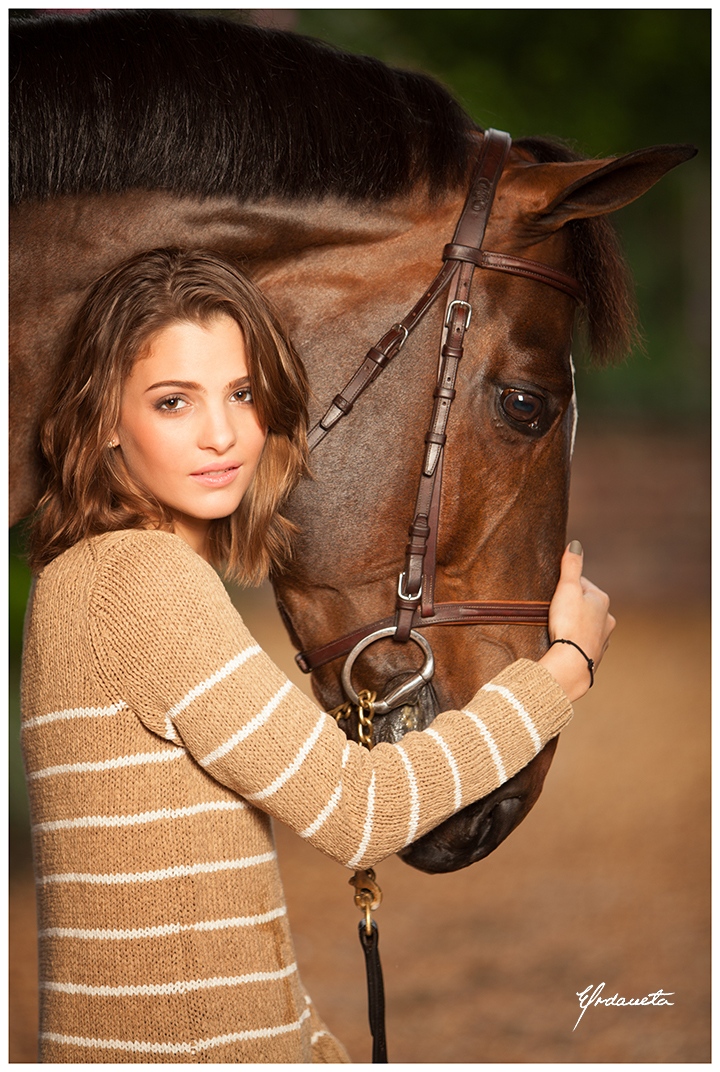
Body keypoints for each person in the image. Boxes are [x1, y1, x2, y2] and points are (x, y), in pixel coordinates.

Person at [21, 247, 615, 1063]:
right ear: (103, 423)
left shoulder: (93, 576)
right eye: (172, 402)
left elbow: (203, 930)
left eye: (241, 393)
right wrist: (560, 673)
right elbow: (357, 810)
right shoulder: (140, 581)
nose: (222, 434)